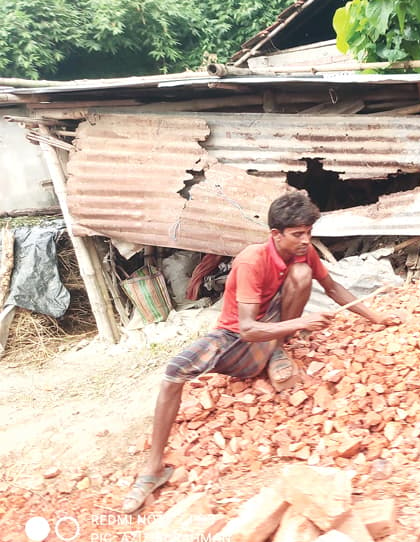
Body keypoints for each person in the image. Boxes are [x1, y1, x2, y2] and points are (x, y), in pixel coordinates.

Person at [121, 191, 399, 514]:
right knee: (173, 372)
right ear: (275, 235)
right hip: (234, 337)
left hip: (272, 331)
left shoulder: (302, 255)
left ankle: (277, 352)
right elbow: (247, 328)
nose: (306, 241)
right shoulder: (252, 260)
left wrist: (377, 318)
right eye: (298, 234)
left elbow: (334, 288)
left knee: (302, 274)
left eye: (309, 233)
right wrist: (300, 322)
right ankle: (153, 468)